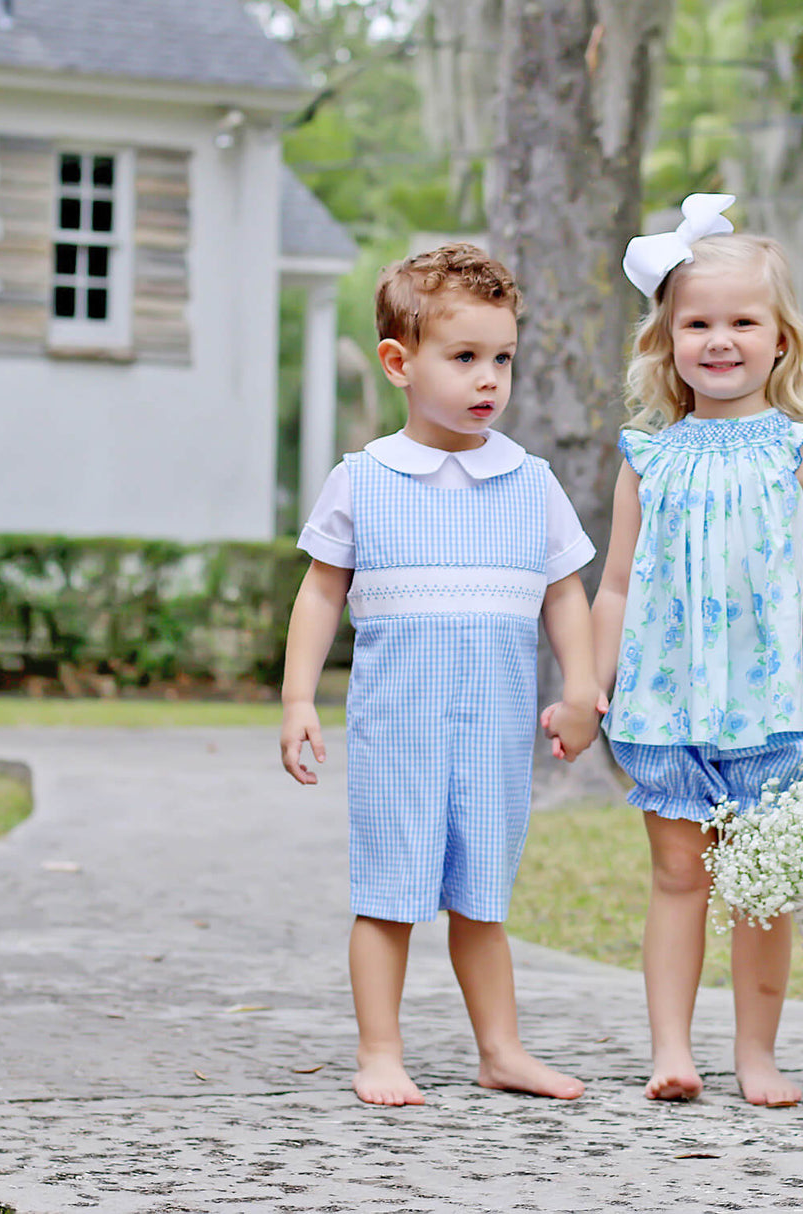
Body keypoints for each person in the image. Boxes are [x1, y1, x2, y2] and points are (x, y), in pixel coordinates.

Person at [280, 242, 602, 1107]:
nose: (488, 378)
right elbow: (318, 595)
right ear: (399, 362)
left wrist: (581, 690)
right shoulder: (365, 481)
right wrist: (299, 698)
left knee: (482, 902)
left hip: (495, 732)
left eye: (502, 358)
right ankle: (380, 1052)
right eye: (464, 358)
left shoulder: (530, 483)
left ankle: (502, 1050)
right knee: (389, 896)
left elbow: (565, 596)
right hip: (398, 731)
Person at [592, 194, 803, 1107]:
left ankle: (757, 1054)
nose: (720, 340)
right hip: (664, 705)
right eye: (697, 323)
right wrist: (586, 688)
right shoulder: (649, 456)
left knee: (762, 887)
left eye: (742, 321)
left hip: (772, 709)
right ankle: (670, 1050)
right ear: (666, 340)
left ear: (781, 338)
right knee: (678, 877)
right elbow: (618, 587)